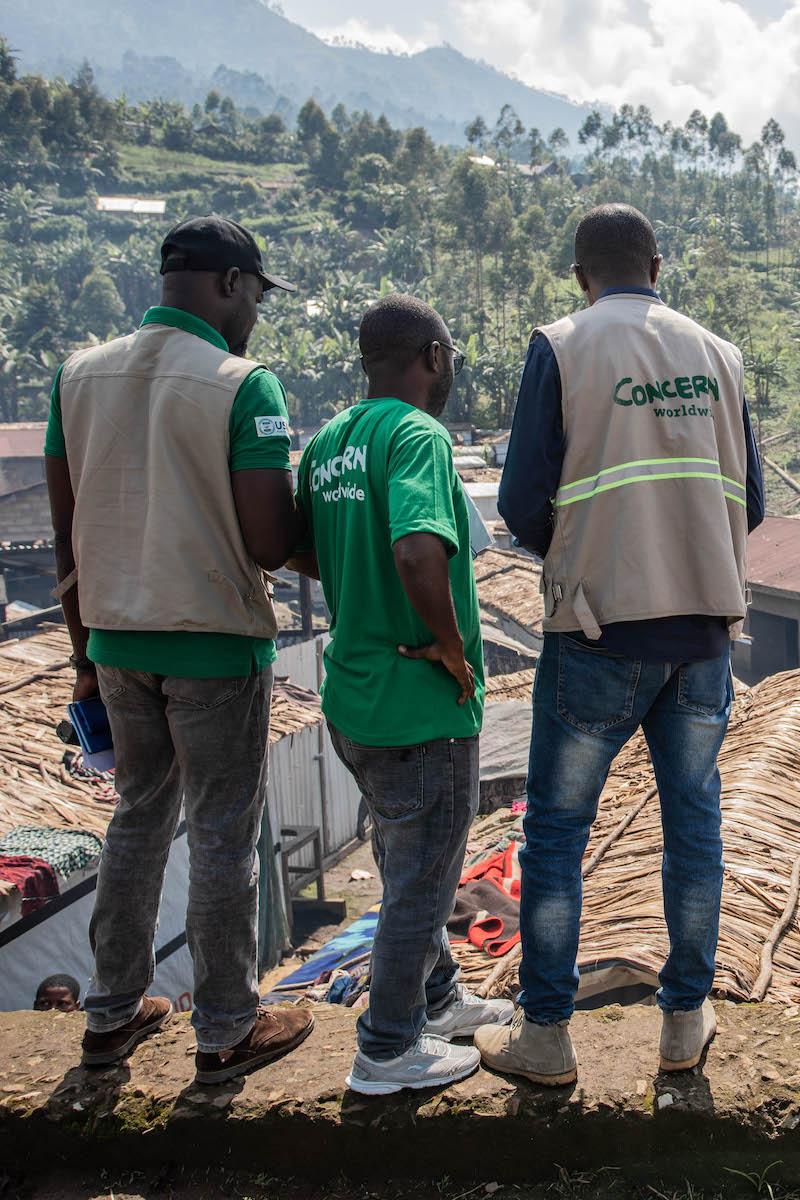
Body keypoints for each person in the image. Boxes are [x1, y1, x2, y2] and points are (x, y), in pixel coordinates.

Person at [476, 204, 765, 1085]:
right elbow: (747, 501)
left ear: (580, 275)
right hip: (704, 637)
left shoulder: (562, 345)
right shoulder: (719, 354)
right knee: (695, 826)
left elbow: (523, 500)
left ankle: (548, 1037)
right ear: (660, 265)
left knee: (558, 836)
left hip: (599, 631)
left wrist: (594, 549)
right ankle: (684, 1023)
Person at [45, 214, 313, 1084]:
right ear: (231, 284)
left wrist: (85, 655)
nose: (256, 318)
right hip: (215, 646)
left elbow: (66, 534)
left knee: (137, 819)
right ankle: (229, 1024)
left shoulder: (76, 377)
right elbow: (270, 542)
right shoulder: (243, 386)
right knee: (224, 835)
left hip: (117, 641)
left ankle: (111, 1013)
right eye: (257, 297)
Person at [291, 293, 512, 1097]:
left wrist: (363, 583)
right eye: (449, 358)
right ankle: (387, 1049)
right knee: (423, 881)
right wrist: (452, 651)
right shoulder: (417, 435)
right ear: (432, 355)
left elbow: (300, 549)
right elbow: (421, 553)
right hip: (419, 704)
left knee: (403, 862)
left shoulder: (329, 444)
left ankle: (438, 1000)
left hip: (353, 697)